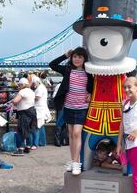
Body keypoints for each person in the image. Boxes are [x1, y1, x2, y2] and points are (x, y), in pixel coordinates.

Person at [49, 47, 93, 175]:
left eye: (80, 57)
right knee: (70, 135)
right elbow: (52, 64)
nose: (77, 59)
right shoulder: (68, 70)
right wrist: (65, 55)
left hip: (82, 108)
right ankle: (74, 161)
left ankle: (76, 163)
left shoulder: (89, 72)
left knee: (76, 133)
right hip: (68, 107)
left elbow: (94, 85)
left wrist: (90, 93)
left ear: (84, 59)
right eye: (74, 56)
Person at [11, 78, 37, 156]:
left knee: (22, 130)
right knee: (28, 130)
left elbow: (15, 101)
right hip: (32, 111)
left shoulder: (22, 91)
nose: (18, 86)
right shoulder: (31, 91)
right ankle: (28, 146)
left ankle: (21, 148)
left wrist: (12, 101)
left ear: (22, 85)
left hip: (24, 112)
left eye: (19, 85)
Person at [29, 76, 51, 149]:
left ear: (36, 82)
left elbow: (37, 98)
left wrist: (29, 97)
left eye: (33, 83)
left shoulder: (40, 88)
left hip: (39, 109)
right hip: (40, 108)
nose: (33, 84)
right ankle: (42, 142)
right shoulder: (41, 87)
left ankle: (36, 143)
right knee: (41, 126)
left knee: (37, 126)